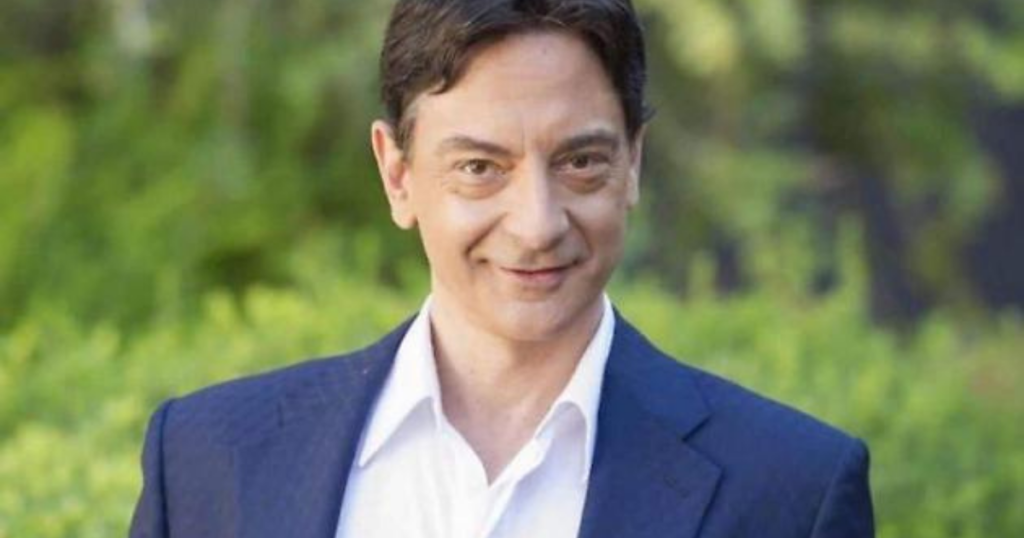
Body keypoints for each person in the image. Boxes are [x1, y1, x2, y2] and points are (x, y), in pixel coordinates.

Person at [129, 0, 874, 536]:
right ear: (397, 175)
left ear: (633, 164)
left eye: (580, 162)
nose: (537, 224)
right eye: (480, 168)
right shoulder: (209, 459)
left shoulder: (790, 491)